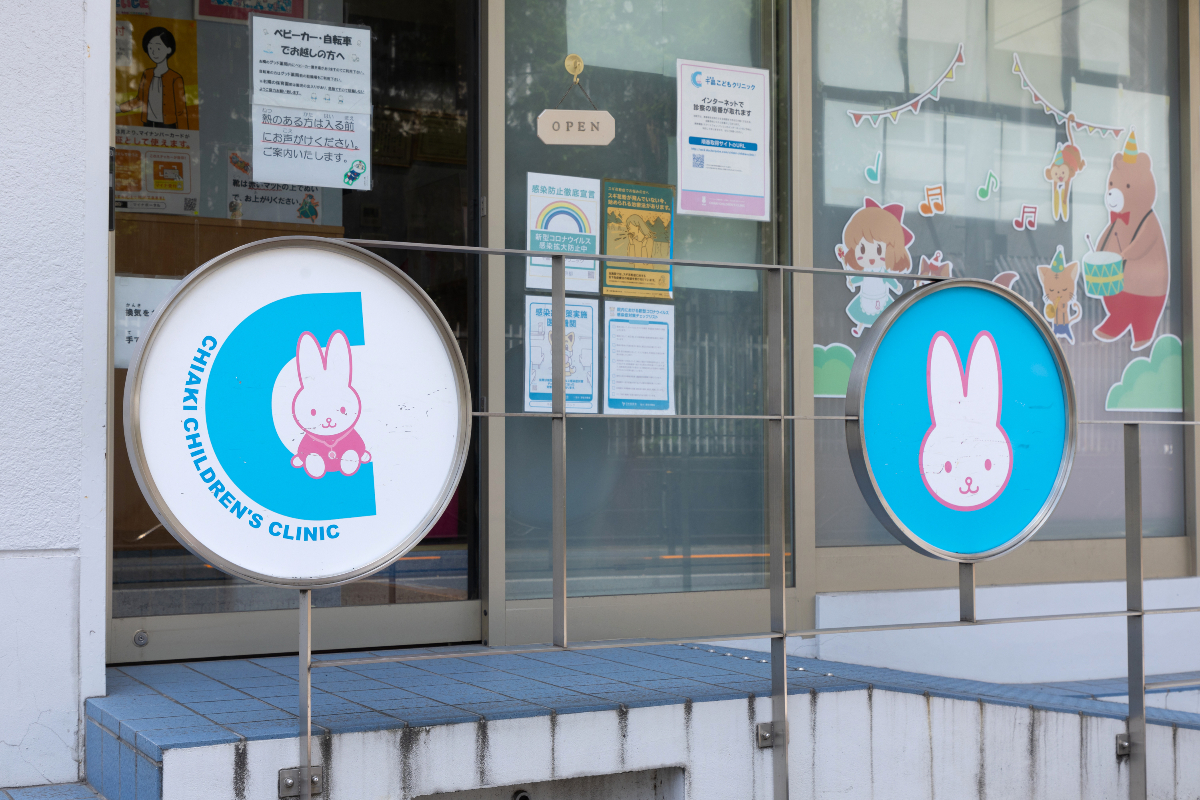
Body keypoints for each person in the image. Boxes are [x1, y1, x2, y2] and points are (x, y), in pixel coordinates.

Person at [117, 27, 190, 129]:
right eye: (151, 48)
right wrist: (119, 108)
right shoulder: (147, 74)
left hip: (167, 126)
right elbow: (139, 99)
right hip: (148, 124)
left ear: (168, 50)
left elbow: (180, 108)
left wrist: (185, 133)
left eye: (158, 48)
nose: (154, 52)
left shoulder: (175, 78)